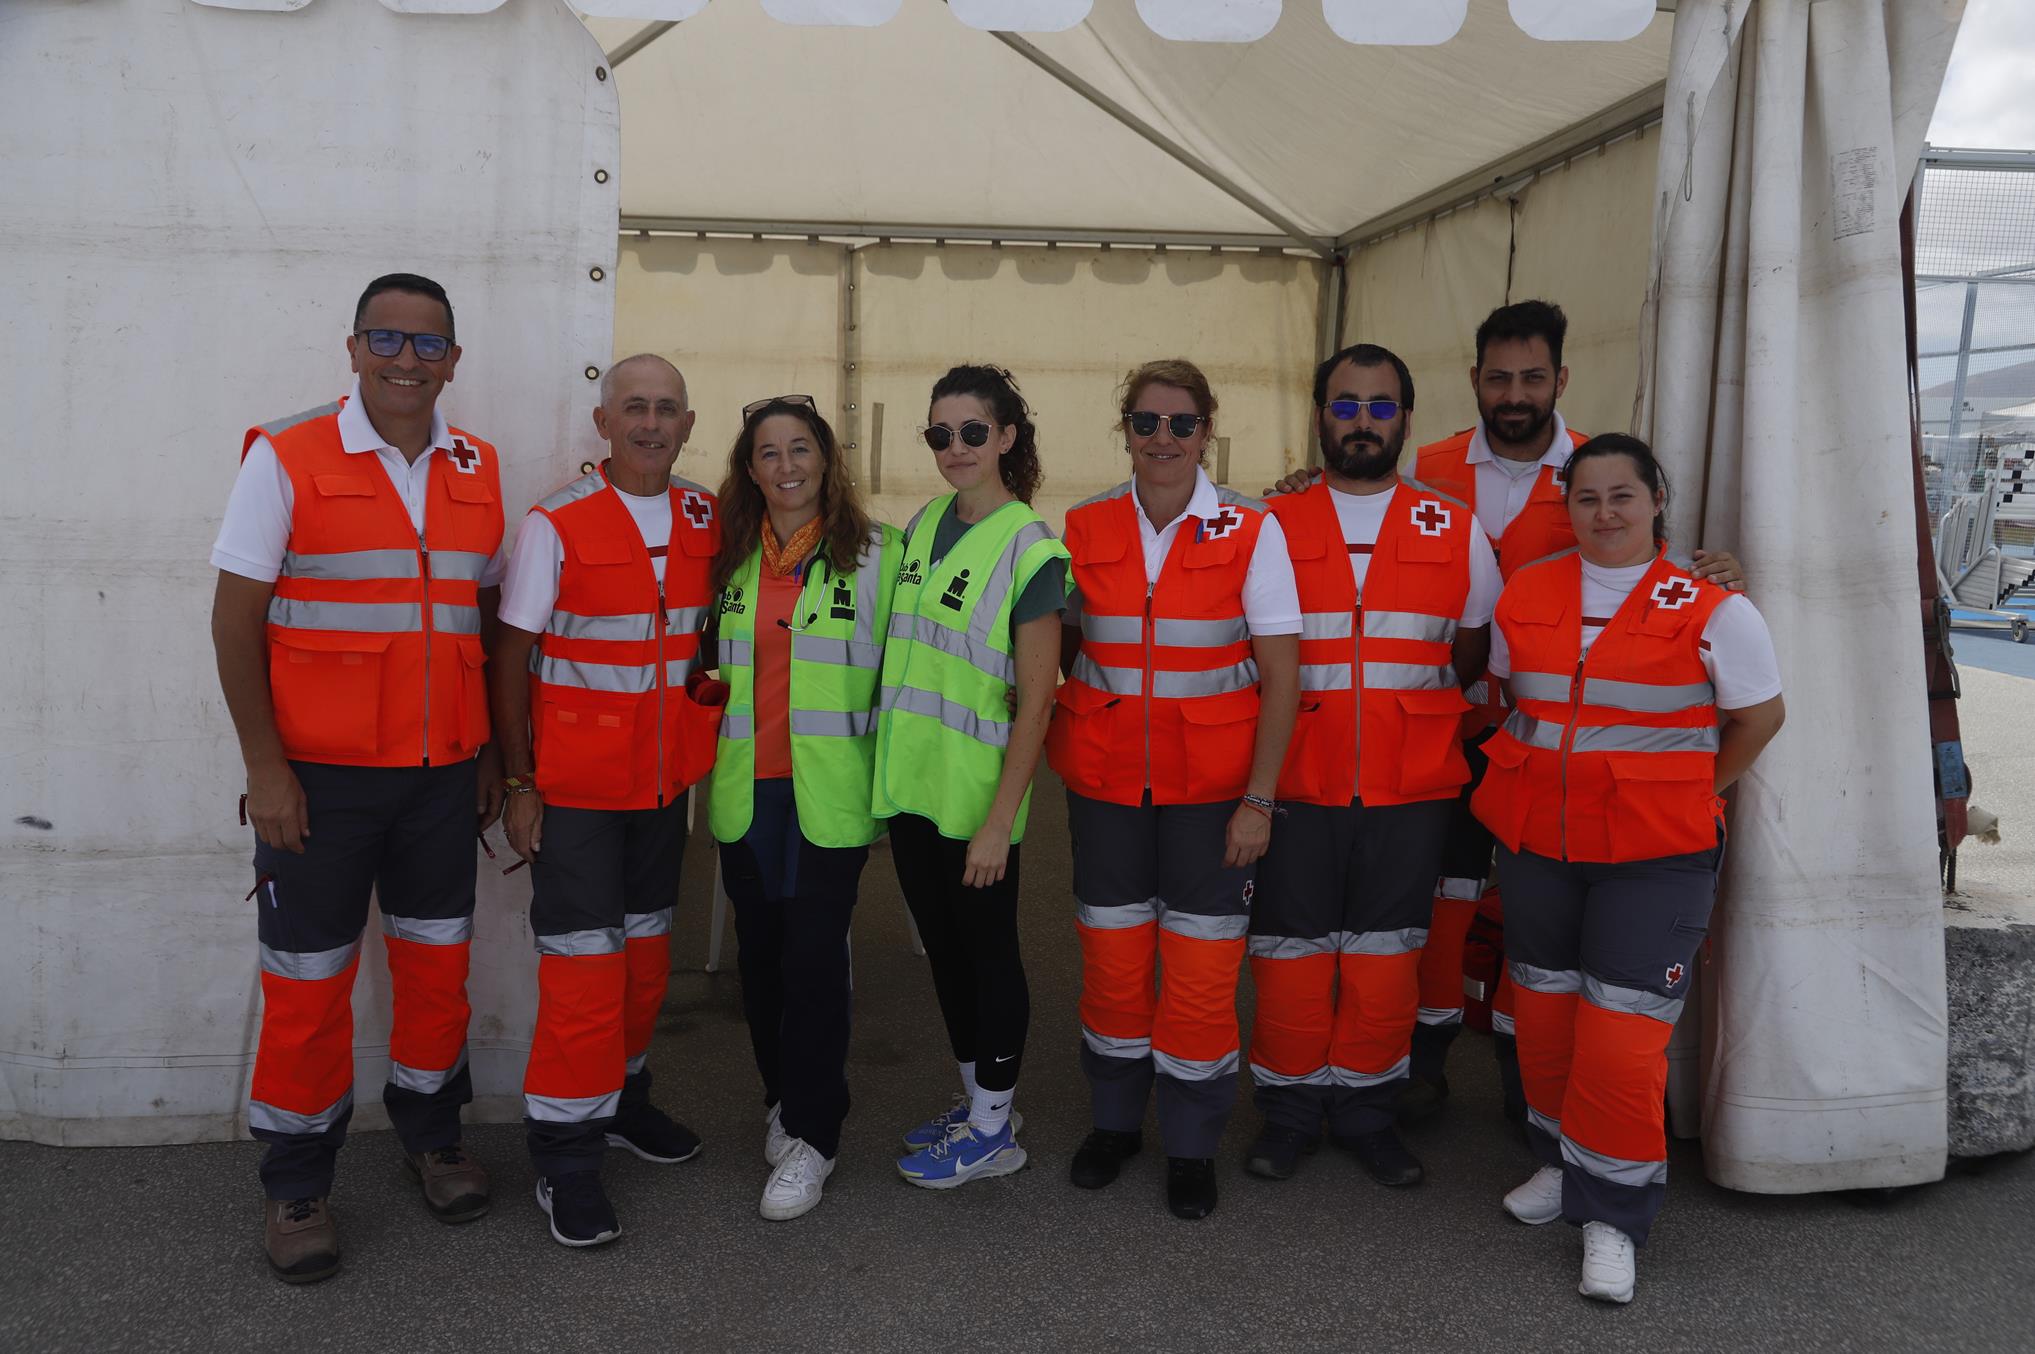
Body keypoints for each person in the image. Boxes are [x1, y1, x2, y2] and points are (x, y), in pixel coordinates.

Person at [1269, 300, 1743, 1126]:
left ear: (1559, 378)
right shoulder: (1435, 464)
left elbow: (1641, 567)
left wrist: (1716, 572)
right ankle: (1420, 1065)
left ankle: (1534, 1092)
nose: (1514, 393)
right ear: (1475, 384)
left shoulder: (1595, 470)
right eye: (1497, 378)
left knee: (1532, 914)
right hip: (1445, 732)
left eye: (1531, 377)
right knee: (1441, 905)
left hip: (1550, 739)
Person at [211, 273, 505, 1283]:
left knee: (435, 972)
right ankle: (296, 1182)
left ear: (453, 361)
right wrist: (265, 768)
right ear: (353, 348)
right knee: (306, 983)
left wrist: (487, 758)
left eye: (427, 345)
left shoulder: (479, 464)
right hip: (319, 785)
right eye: (387, 338)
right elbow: (235, 618)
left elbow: (472, 614)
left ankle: (433, 1136)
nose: (406, 360)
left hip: (439, 780)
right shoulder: (286, 454)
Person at [1472, 433, 1784, 1305]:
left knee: (1619, 1036)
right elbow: (1517, 705)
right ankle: (1559, 1166)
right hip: (1538, 846)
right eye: (1585, 498)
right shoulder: (1526, 593)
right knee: (1541, 1014)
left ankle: (1612, 1215)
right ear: (1564, 507)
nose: (1603, 513)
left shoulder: (1715, 608)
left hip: (1654, 859)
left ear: (1656, 501)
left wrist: (1689, 789)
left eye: (1622, 495)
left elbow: (1760, 718)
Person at [1242, 343, 1501, 1188]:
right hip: (1294, 781)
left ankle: (1365, 1109)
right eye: (1345, 404)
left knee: (1388, 955)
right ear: (1319, 414)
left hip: (1409, 784)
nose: (1361, 420)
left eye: (1379, 406)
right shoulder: (1266, 523)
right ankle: (1285, 1111)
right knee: (1289, 951)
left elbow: (1472, 649)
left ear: (1404, 419)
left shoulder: (1452, 525)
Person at [1053, 359, 1300, 1221]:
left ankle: (1191, 1143)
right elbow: (1056, 648)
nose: (1163, 439)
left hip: (1214, 795)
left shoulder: (1251, 528)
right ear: (1124, 428)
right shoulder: (1080, 526)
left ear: (1207, 432)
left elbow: (1281, 677)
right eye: (1146, 422)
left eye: (1181, 424)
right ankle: (1116, 1125)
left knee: (1198, 973)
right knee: (1113, 964)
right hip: (1106, 786)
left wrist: (1259, 800)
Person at [491, 354, 720, 1248]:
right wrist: (520, 782)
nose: (651, 424)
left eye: (667, 408)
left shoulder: (706, 514)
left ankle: (625, 1100)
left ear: (689, 424)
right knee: (584, 976)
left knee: (645, 963)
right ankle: (565, 1156)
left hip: (664, 792)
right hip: (578, 795)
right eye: (634, 408)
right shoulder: (558, 522)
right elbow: (511, 656)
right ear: (603, 421)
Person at [705, 395, 902, 1221]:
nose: (785, 467)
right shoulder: (729, 557)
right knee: (763, 960)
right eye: (767, 453)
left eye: (799, 449)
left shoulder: (881, 555)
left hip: (830, 794)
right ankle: (782, 1100)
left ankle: (816, 1136)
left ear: (826, 457)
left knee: (816, 961)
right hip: (745, 791)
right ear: (749, 470)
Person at [873, 365, 1069, 1190]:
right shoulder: (921, 524)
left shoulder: (1031, 548)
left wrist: (1000, 820)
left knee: (988, 956)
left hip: (975, 802)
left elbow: (1036, 704)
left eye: (972, 433)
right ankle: (981, 1105)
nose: (954, 449)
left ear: (1007, 438)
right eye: (939, 435)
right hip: (911, 790)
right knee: (945, 956)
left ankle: (995, 1131)